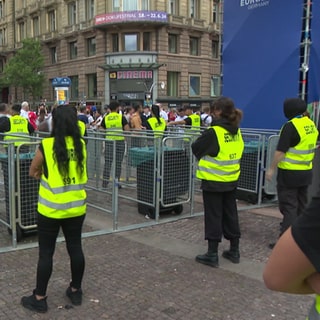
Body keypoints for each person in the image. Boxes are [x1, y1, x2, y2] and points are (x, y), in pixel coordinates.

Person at [21, 105, 88, 313]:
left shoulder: (47, 145)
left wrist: (46, 179)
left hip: (50, 209)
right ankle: (75, 290)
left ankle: (39, 297)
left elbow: (33, 171)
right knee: (75, 248)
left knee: (46, 253)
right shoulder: (81, 145)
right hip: (76, 208)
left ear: (55, 122)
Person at [191, 97, 244, 268]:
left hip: (213, 180)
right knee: (231, 214)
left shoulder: (214, 132)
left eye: (213, 110)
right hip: (231, 179)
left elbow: (196, 147)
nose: (212, 114)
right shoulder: (236, 131)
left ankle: (212, 253)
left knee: (214, 216)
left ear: (218, 111)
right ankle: (234, 250)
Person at [266, 98, 318, 249]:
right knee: (302, 206)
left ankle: (285, 243)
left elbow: (281, 151)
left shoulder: (290, 126)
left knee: (289, 207)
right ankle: (302, 238)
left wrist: (271, 169)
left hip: (289, 173)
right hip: (306, 172)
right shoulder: (310, 123)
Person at [263, 194, 320, 319]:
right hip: (304, 177)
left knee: (289, 206)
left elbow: (276, 277)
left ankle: (284, 232)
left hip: (289, 177)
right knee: (299, 202)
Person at [100, 100, 130, 189]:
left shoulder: (106, 117)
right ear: (117, 108)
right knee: (118, 163)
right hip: (119, 142)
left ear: (109, 108)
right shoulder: (121, 117)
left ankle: (104, 183)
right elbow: (127, 129)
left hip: (109, 142)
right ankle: (117, 183)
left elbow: (101, 129)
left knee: (108, 163)